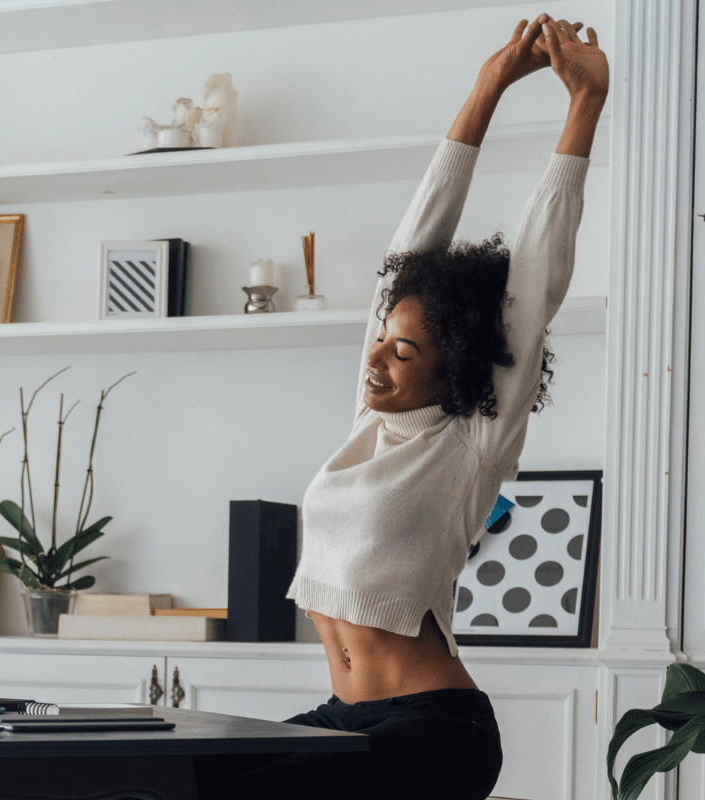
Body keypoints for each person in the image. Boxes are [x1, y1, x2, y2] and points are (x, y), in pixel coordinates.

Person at [198, 15, 608, 800]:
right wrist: (486, 87)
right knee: (188, 778)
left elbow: (537, 275)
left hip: (434, 728)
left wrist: (583, 102)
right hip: (346, 717)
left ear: (454, 365)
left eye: (405, 350)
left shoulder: (471, 439)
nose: (378, 358)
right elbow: (411, 246)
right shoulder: (370, 423)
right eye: (381, 340)